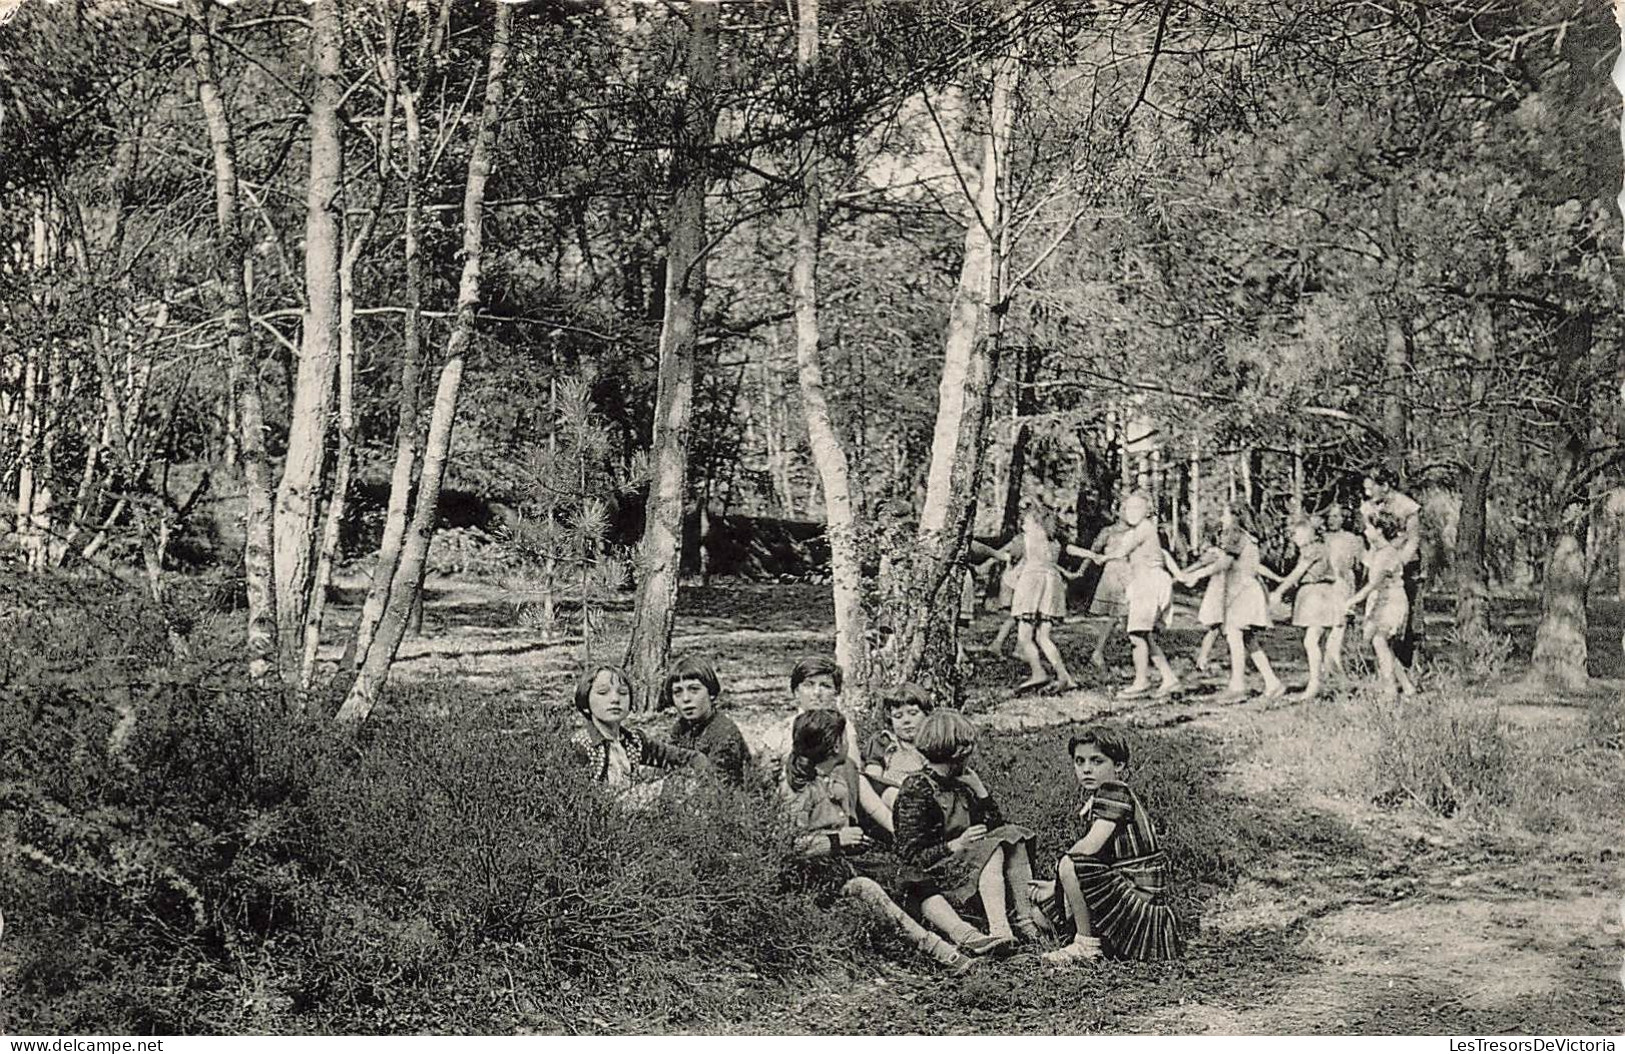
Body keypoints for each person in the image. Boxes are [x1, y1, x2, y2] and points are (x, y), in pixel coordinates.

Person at [779, 709, 975, 975]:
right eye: (844, 736)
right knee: (868, 888)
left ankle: (964, 932)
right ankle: (937, 949)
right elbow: (789, 846)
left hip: (851, 856)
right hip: (820, 868)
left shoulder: (844, 770)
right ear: (836, 744)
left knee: (905, 874)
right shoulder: (797, 787)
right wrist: (835, 841)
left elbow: (874, 809)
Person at [1030, 726, 1184, 963]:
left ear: (1119, 766)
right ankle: (1100, 939)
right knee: (1040, 915)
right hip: (1124, 887)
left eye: (1097, 761)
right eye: (1079, 762)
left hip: (1139, 898)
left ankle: (1086, 944)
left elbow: (1090, 848)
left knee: (1069, 864)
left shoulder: (1114, 791)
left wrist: (1060, 880)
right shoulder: (1104, 794)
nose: (1087, 769)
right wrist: (1056, 887)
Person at [894, 710, 1040, 957]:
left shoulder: (962, 783)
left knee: (1014, 835)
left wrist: (980, 790)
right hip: (937, 872)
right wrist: (954, 845)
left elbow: (997, 828)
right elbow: (910, 855)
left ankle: (1026, 921)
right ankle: (1000, 929)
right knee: (990, 848)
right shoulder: (916, 790)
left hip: (970, 863)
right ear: (955, 752)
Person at [1070, 491, 1181, 699]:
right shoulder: (1136, 531)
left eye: (1137, 508)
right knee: (1142, 634)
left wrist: (1103, 558)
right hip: (1143, 582)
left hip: (1149, 582)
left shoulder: (1145, 528)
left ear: (1148, 511)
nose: (1131, 512)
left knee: (1137, 634)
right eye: (1129, 507)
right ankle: (1169, 678)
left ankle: (1141, 682)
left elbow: (1122, 552)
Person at [1178, 504, 1286, 701]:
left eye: (1226, 513)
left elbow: (1224, 563)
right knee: (1248, 639)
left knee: (1235, 637)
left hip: (1241, 593)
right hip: (1246, 591)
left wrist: (1197, 575)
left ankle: (1237, 686)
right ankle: (1273, 683)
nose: (1223, 517)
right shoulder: (1250, 538)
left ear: (1236, 516)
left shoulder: (1236, 535)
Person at [570, 666, 709, 805]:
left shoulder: (633, 741)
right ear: (585, 703)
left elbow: (683, 757)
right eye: (603, 692)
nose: (615, 699)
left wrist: (703, 773)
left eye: (623, 693)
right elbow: (582, 803)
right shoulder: (581, 746)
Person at [1004, 503, 1079, 695]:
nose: (1022, 525)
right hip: (1050, 585)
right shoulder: (1052, 542)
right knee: (1043, 636)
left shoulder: (1025, 539)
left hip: (1031, 585)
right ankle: (1064, 676)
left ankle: (1038, 672)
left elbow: (1009, 555)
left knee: (1024, 636)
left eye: (1026, 522)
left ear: (1035, 522)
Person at [1269, 515, 1340, 701]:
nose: (1295, 538)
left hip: (1318, 595)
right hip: (1315, 594)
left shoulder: (1313, 550)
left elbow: (1297, 573)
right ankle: (1322, 681)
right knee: (1315, 641)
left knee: (1311, 641)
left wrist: (1278, 592)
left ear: (1310, 534)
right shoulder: (1315, 549)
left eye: (1298, 534)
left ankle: (1315, 684)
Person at [1347, 512, 1418, 698]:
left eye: (1368, 528)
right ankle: (1407, 686)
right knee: (1381, 643)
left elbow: (1374, 583)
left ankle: (1390, 688)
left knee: (1379, 641)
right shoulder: (1377, 552)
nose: (1365, 531)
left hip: (1392, 601)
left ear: (1379, 530)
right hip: (1381, 599)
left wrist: (1353, 600)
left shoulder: (1387, 554)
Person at [1360, 466, 1423, 667]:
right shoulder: (1368, 507)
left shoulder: (1408, 507)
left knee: (1406, 619)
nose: (1367, 493)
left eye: (1371, 488)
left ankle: (1410, 666)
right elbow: (1371, 539)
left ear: (1385, 486)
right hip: (1380, 565)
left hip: (1405, 565)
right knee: (1377, 620)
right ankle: (1386, 669)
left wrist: (1397, 564)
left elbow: (1413, 540)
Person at [759, 654, 861, 773]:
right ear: (796, 691)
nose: (817, 692)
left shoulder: (844, 729)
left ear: (836, 693)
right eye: (809, 685)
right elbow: (763, 780)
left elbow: (855, 772)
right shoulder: (779, 732)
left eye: (825, 686)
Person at [664, 653, 751, 785]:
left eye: (694, 689)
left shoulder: (724, 734)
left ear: (711, 692)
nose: (686, 699)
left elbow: (721, 788)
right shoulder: (681, 727)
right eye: (678, 692)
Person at [862, 682, 932, 808]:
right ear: (890, 719)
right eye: (898, 716)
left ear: (926, 714)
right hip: (891, 804)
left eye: (913, 713)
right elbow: (872, 781)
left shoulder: (933, 744)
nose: (906, 720)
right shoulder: (883, 742)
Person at [1084, 509, 1132, 672]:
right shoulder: (1108, 531)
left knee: (1125, 616)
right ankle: (1099, 652)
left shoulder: (1135, 531)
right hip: (1113, 574)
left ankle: (1135, 651)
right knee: (1119, 615)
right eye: (1125, 509)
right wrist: (1081, 570)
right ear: (1117, 511)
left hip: (1129, 573)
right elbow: (1093, 551)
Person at [1321, 504, 1364, 678]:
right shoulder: (1322, 538)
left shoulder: (1351, 538)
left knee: (1340, 621)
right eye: (1330, 516)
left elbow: (1358, 563)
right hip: (1326, 582)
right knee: (1326, 621)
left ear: (1344, 518)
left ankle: (1334, 660)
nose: (1333, 520)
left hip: (1344, 583)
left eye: (1337, 516)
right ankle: (1326, 663)